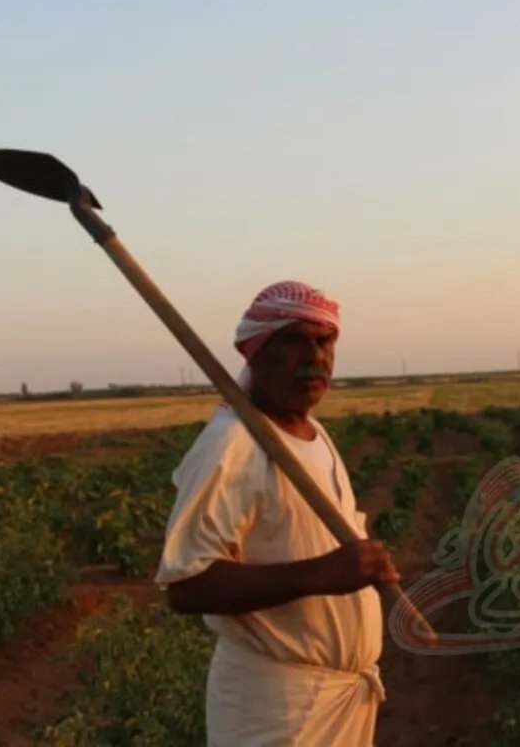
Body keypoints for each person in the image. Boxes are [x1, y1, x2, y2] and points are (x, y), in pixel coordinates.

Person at [155, 280, 399, 746]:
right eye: (293, 341)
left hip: (338, 701)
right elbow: (186, 585)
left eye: (324, 341)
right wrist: (324, 573)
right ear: (256, 352)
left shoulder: (313, 434)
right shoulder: (232, 445)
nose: (314, 357)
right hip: (279, 709)